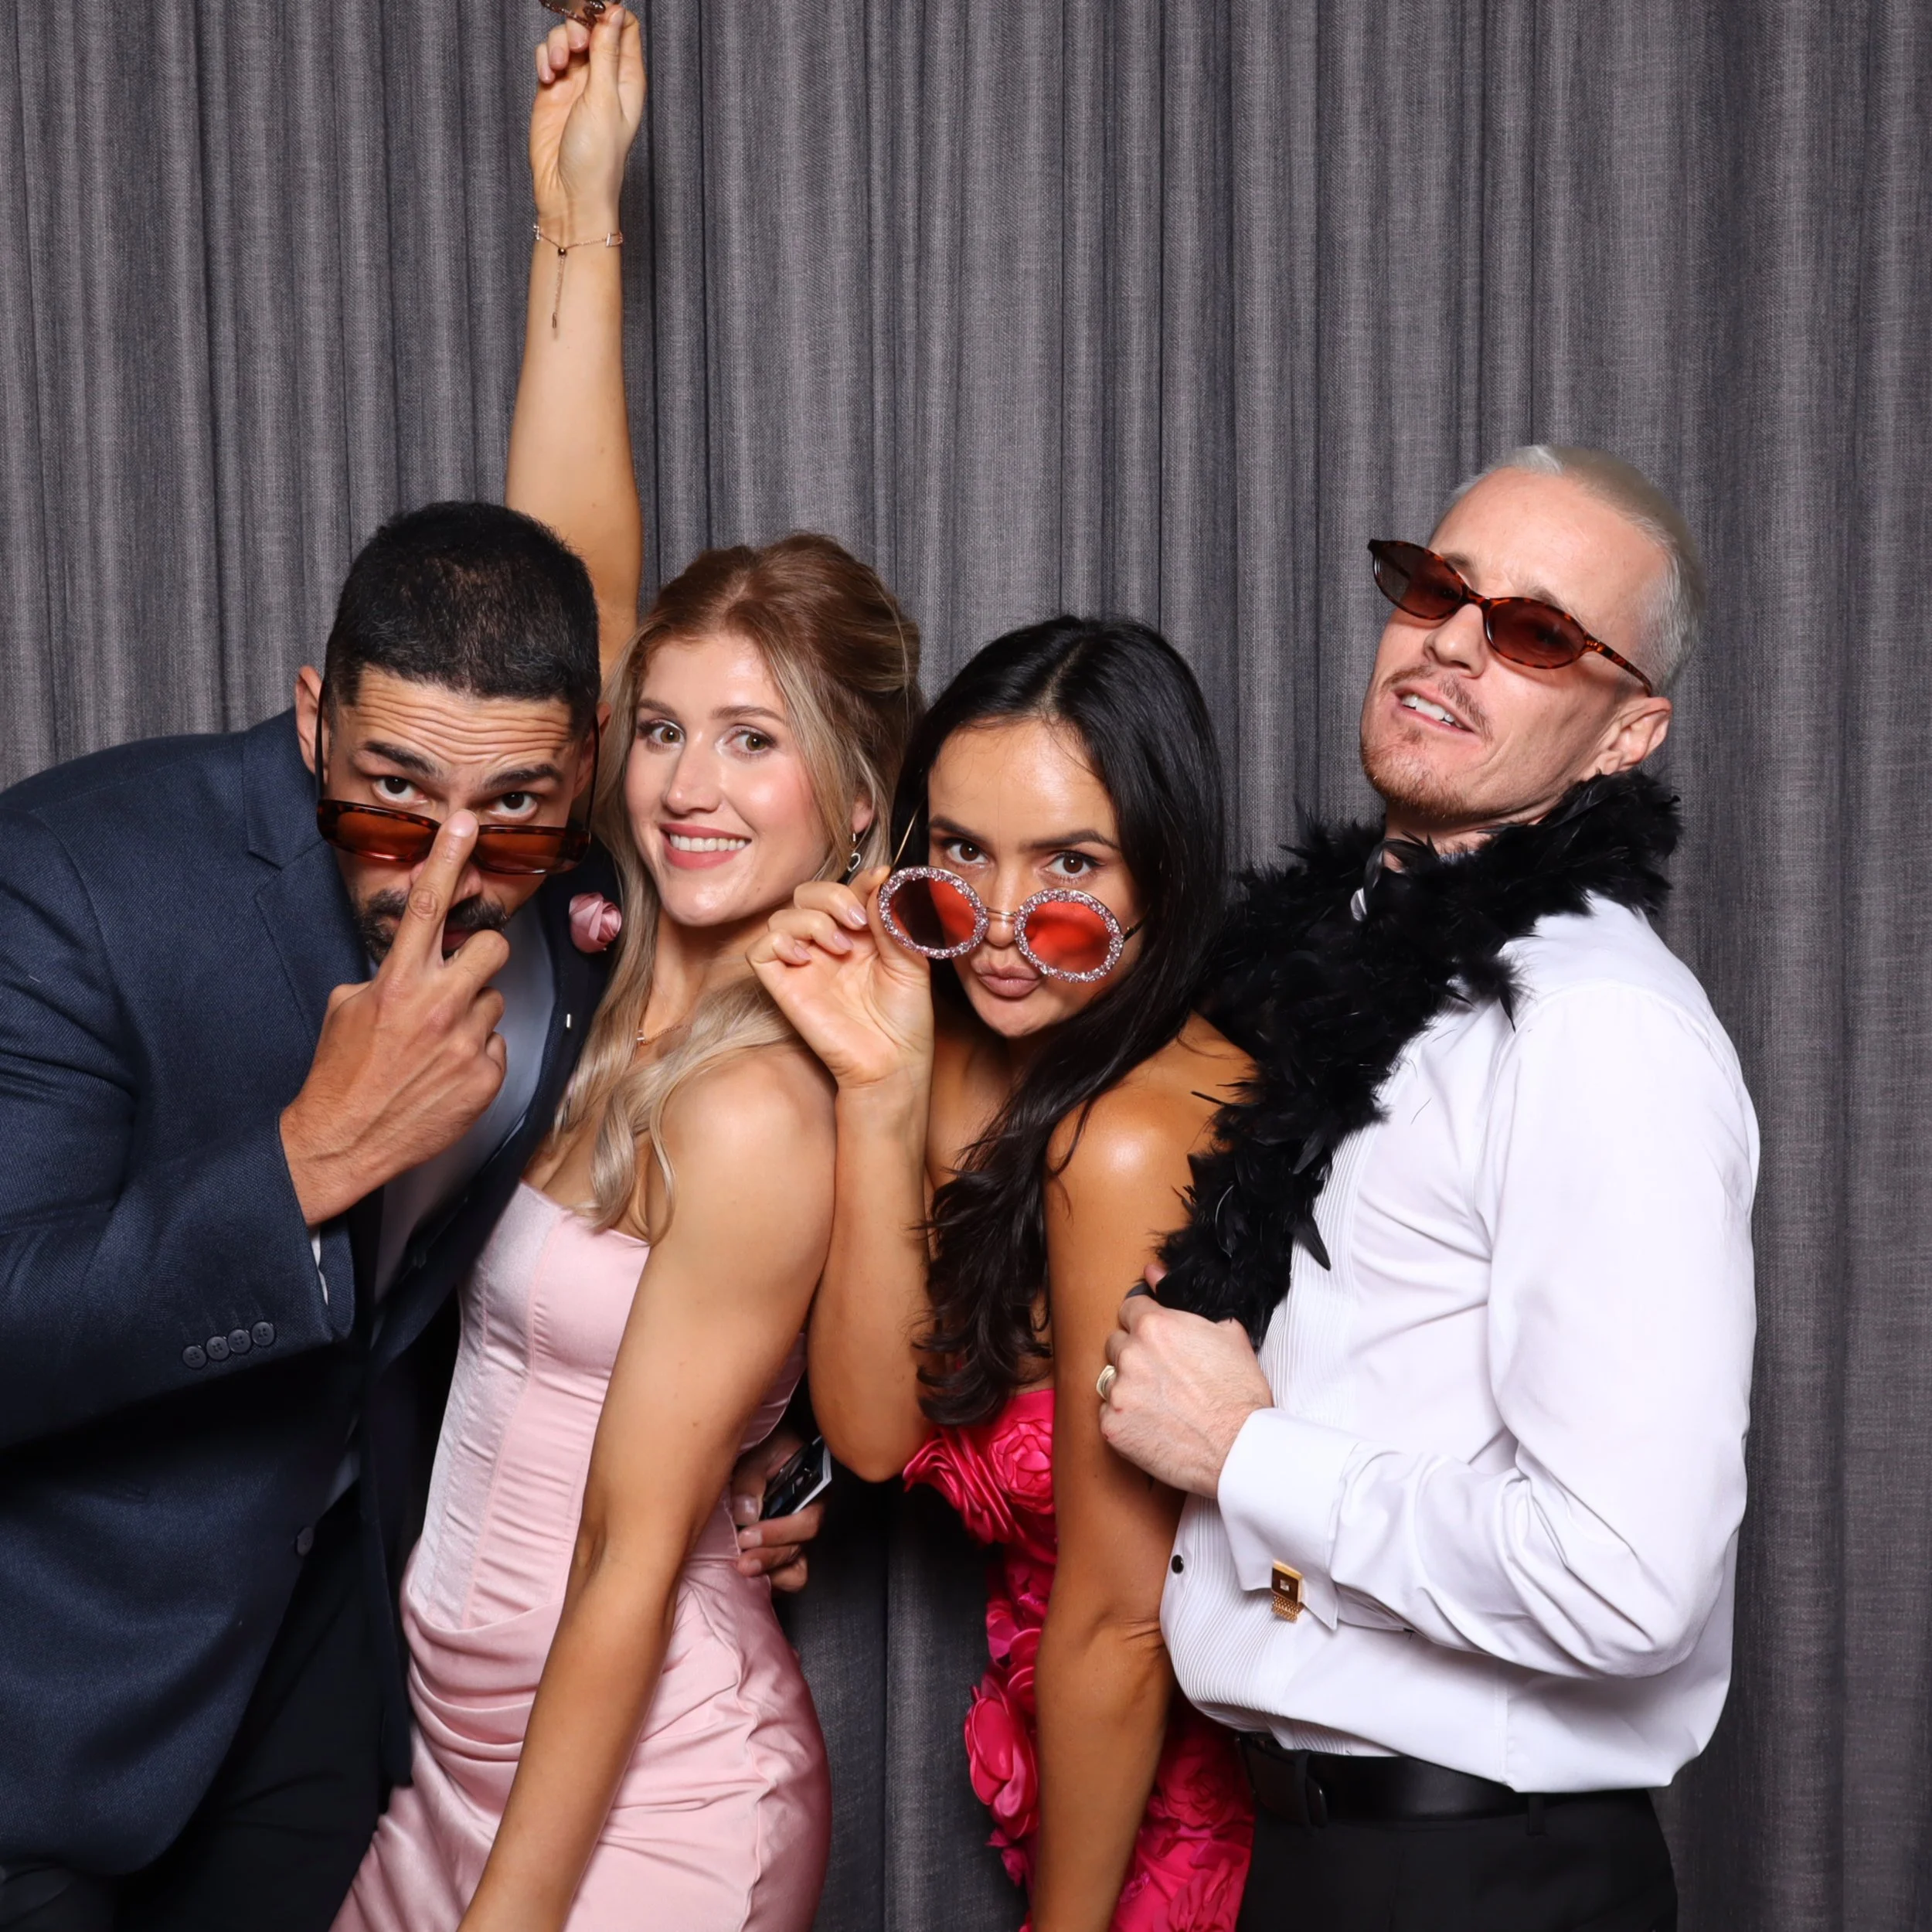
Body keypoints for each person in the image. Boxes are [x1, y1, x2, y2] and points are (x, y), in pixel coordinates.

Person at [329, 12, 920, 1930]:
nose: (683, 781)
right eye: (660, 731)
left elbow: (626, 1555)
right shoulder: (591, 951)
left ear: (851, 799)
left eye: (756, 741)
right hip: (454, 1750)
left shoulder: (760, 1101)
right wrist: (570, 230)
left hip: (630, 1792)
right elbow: (571, 595)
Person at [1097, 447, 1757, 1932]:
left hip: (1476, 1879)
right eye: (1436, 588)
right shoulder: (1341, 974)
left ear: (1624, 732)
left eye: (1532, 632)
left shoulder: (1597, 1031)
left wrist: (1246, 1456)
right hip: (1309, 1852)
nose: (1453, 640)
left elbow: (1627, 1584)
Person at [0, 498, 609, 1932]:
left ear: (583, 764)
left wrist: (777, 1461)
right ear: (312, 715)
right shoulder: (72, 878)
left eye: (514, 805)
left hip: (325, 1677)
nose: (446, 866)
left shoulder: (600, 910)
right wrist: (304, 1166)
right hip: (54, 1692)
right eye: (390, 791)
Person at [750, 617, 1257, 1930]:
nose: (1004, 927)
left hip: (1179, 1784)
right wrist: (878, 1086)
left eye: (1071, 865)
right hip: (1066, 1745)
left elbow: (1119, 1616)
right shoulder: (958, 1045)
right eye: (964, 851)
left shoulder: (1136, 1132)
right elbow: (871, 1435)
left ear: (1164, 868)